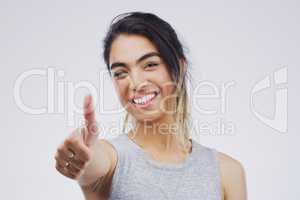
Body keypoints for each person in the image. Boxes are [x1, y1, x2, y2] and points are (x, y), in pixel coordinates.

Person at [54, 12, 247, 200]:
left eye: (150, 64)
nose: (136, 83)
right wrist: (85, 156)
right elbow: (94, 163)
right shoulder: (112, 159)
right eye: (121, 73)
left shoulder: (227, 172)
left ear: (179, 67)